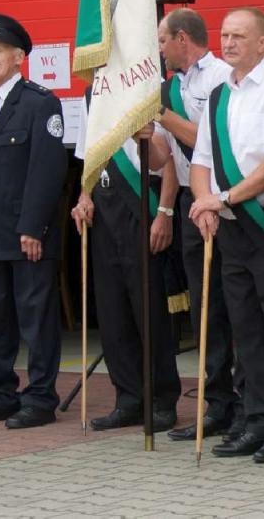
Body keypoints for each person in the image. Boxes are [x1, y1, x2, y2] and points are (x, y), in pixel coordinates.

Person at [189, 7, 264, 462]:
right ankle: (256, 418)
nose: (230, 42)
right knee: (247, 329)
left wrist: (223, 198)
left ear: (263, 43)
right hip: (233, 232)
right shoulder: (219, 96)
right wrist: (204, 204)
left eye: (240, 35)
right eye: (225, 34)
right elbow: (201, 160)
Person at [0, 13, 69, 429]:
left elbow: (47, 170)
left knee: (35, 319)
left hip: (25, 236)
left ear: (19, 57)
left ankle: (40, 398)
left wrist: (32, 228)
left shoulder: (41, 103)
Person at [155, 8, 239, 443]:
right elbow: (166, 156)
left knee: (232, 305)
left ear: (183, 38)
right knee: (204, 307)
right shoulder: (175, 84)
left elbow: (207, 139)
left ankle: (243, 402)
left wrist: (162, 114)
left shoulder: (219, 76)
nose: (161, 48)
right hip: (192, 202)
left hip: (225, 203)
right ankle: (217, 403)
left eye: (164, 40)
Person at [71, 118, 183, 433]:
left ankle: (163, 399)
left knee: (149, 311)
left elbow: (170, 158)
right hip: (105, 208)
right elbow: (88, 158)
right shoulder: (92, 96)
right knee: (113, 311)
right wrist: (84, 196)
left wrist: (165, 212)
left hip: (143, 204)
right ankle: (129, 398)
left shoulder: (144, 86)